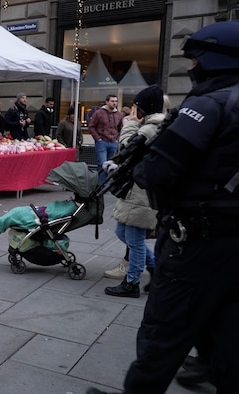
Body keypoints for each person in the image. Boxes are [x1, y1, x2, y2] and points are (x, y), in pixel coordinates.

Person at [87, 21, 239, 394]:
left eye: (194, 61)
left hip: (198, 239)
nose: (190, 68)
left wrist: (140, 161)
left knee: (163, 328)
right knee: (225, 325)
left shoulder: (207, 104)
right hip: (230, 237)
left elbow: (157, 171)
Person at [101, 85, 165, 298]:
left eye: (136, 107)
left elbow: (127, 147)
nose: (132, 111)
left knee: (135, 239)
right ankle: (155, 267)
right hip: (135, 190)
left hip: (141, 193)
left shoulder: (151, 126)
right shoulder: (150, 123)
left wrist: (128, 125)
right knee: (122, 233)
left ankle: (132, 283)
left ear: (143, 108)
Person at [87, 93, 122, 184]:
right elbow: (91, 126)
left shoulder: (118, 114)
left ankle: (106, 184)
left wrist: (117, 138)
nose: (114, 103)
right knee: (102, 164)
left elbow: (120, 127)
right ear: (107, 102)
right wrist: (98, 138)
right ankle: (101, 184)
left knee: (111, 164)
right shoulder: (99, 113)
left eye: (116, 101)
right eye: (112, 101)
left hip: (113, 141)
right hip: (102, 141)